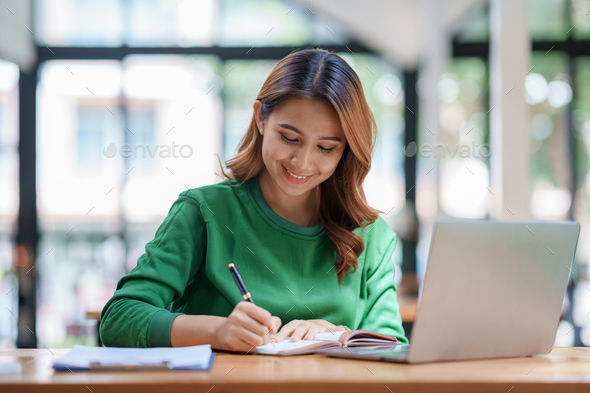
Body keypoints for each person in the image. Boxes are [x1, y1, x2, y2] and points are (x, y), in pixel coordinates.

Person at [99, 48, 408, 351]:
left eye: (326, 147)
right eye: (289, 138)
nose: (302, 161)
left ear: (346, 150)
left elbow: (393, 346)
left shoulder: (370, 234)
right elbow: (119, 318)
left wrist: (338, 334)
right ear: (260, 118)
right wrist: (217, 332)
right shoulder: (203, 212)